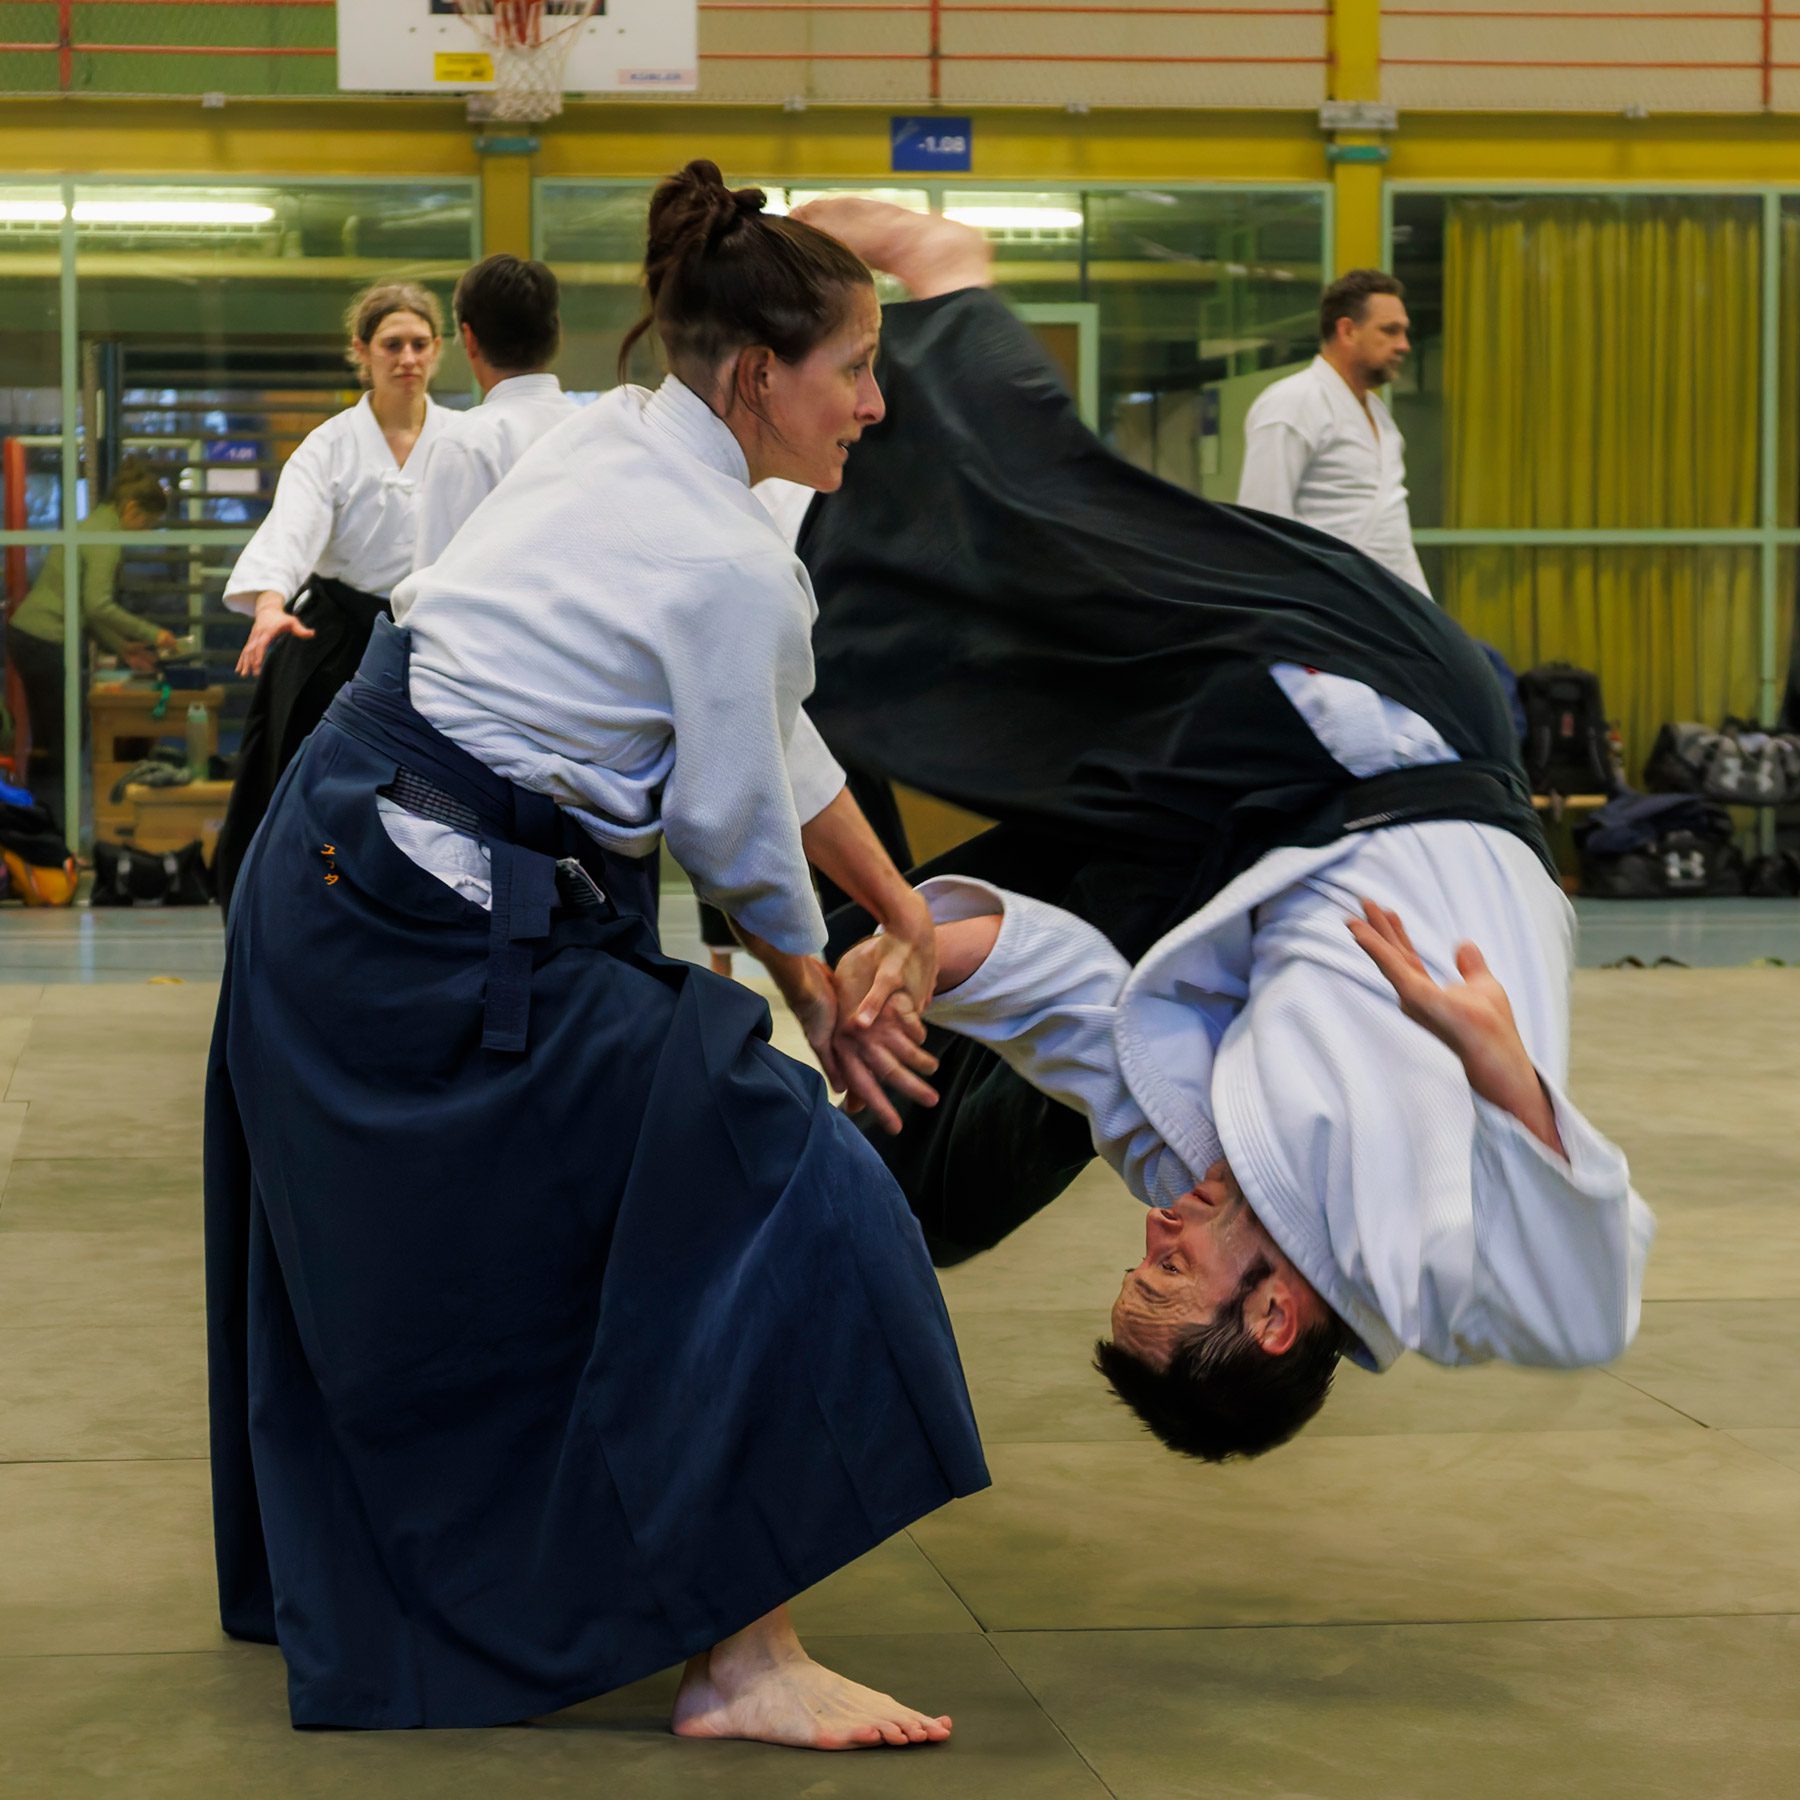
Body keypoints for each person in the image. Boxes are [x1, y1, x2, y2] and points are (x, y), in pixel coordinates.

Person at [205, 161, 984, 1743]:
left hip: (360, 868)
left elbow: (771, 725)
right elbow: (736, 829)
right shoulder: (724, 556)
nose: (875, 404)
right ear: (755, 376)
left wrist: (899, 914)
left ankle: (710, 1628)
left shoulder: (625, 438)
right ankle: (745, 1662)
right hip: (404, 913)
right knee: (776, 1167)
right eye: (855, 368)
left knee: (657, 1183)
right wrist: (823, 1000)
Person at [785, 198, 1651, 1458]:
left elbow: (1078, 1011)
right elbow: (1590, 1312)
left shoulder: (1185, 1159)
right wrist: (1504, 1075)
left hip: (1277, 800)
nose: (1153, 1235)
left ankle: (827, 489)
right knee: (1064, 545)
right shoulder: (1416, 1267)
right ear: (1279, 1315)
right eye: (1171, 1273)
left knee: (922, 685)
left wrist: (922, 948)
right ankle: (952, 285)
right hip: (1400, 741)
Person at [212, 280, 453, 913]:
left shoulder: (464, 440)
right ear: (362, 351)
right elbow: (293, 527)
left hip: (433, 641)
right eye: (392, 344)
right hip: (337, 634)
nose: (407, 358)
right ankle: (300, 909)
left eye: (419, 344)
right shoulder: (330, 445)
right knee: (305, 785)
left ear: (439, 349)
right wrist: (271, 602)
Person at [4, 460, 179, 826]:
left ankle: (43, 822)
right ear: (131, 509)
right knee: (65, 743)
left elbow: (84, 607)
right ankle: (53, 827)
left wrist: (123, 647)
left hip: (30, 637)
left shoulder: (96, 525)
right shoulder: (105, 539)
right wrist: (154, 634)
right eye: (147, 523)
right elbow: (97, 605)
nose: (146, 532)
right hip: (45, 641)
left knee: (53, 741)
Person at [1236, 269, 1431, 597]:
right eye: (1390, 331)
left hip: (1387, 603)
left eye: (1404, 332)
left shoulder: (1379, 416)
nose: (1404, 346)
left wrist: (1425, 609)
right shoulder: (1292, 403)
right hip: (1326, 602)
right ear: (1347, 330)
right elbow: (1263, 528)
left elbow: (1392, 536)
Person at [405, 253, 580, 577]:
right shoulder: (594, 431)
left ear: (469, 339)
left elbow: (433, 586)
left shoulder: (466, 444)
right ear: (556, 333)